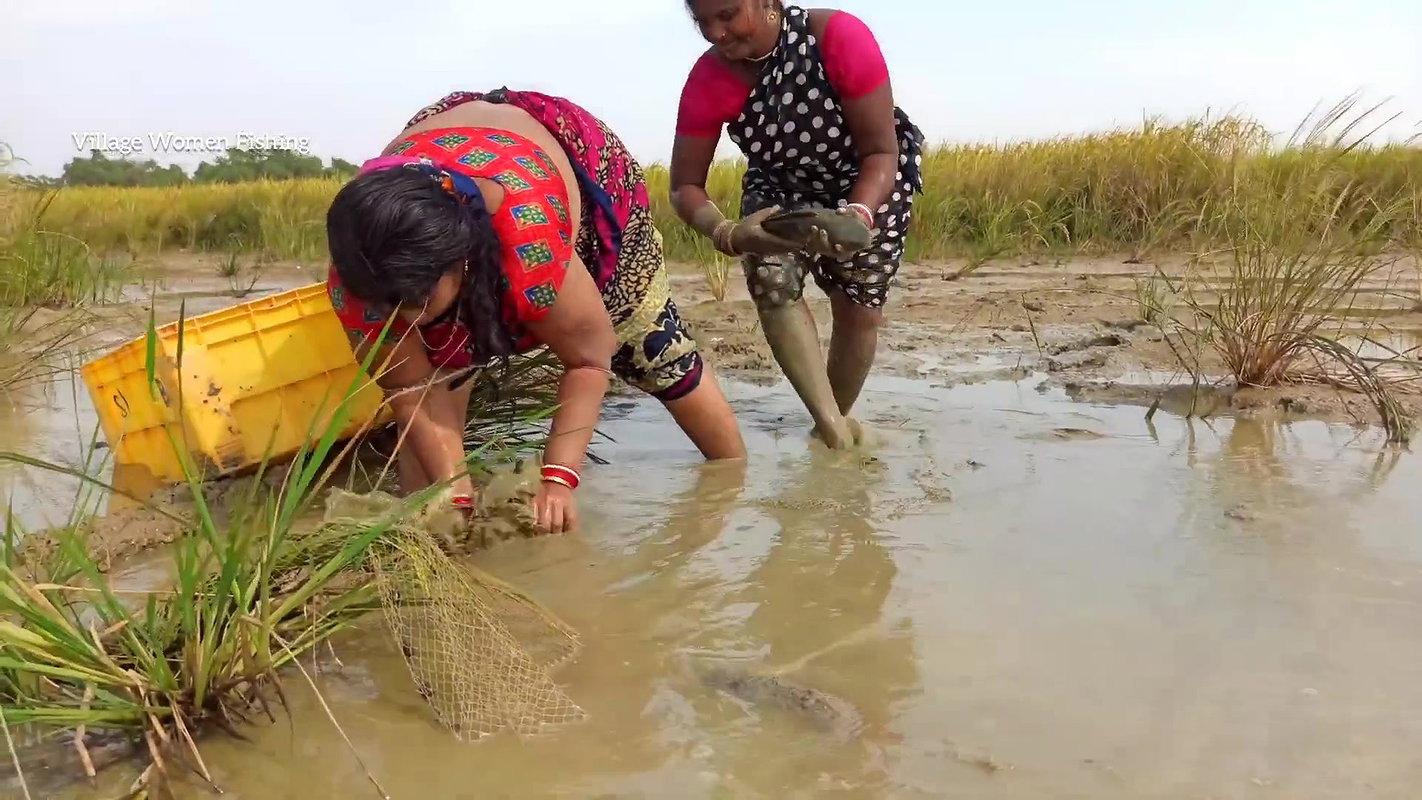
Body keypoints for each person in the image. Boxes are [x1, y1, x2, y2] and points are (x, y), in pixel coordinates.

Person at [325, 88, 747, 534]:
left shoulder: (528, 239)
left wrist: (559, 478)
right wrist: (455, 491)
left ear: (464, 260)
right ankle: (440, 532)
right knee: (437, 379)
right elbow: (410, 390)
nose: (407, 319)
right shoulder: (358, 268)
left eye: (418, 302)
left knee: (650, 346)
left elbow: (588, 358)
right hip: (448, 147)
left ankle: (736, 476)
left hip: (570, 158)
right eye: (387, 306)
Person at [670, 1, 925, 449]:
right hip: (780, 188)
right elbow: (685, 186)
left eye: (727, 15)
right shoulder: (709, 78)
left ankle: (835, 422)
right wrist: (728, 233)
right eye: (702, 21)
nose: (715, 33)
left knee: (860, 308)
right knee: (771, 282)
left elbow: (882, 153)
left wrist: (858, 215)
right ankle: (832, 429)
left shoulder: (836, 38)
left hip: (866, 177)